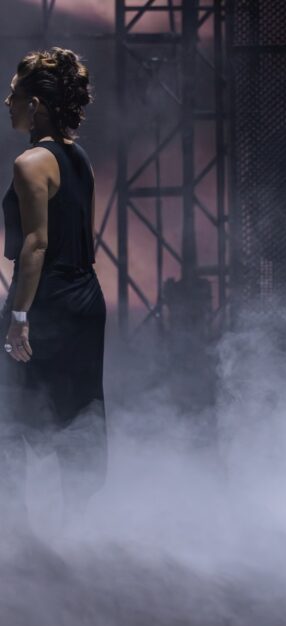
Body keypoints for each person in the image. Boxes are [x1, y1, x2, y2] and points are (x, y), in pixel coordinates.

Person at [0, 47, 106, 533]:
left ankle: (17, 534)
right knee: (79, 410)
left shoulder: (31, 162)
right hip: (85, 297)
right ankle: (81, 533)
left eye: (15, 93)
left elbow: (37, 245)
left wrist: (20, 317)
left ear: (36, 104)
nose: (7, 101)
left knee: (9, 418)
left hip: (45, 301)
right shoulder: (76, 155)